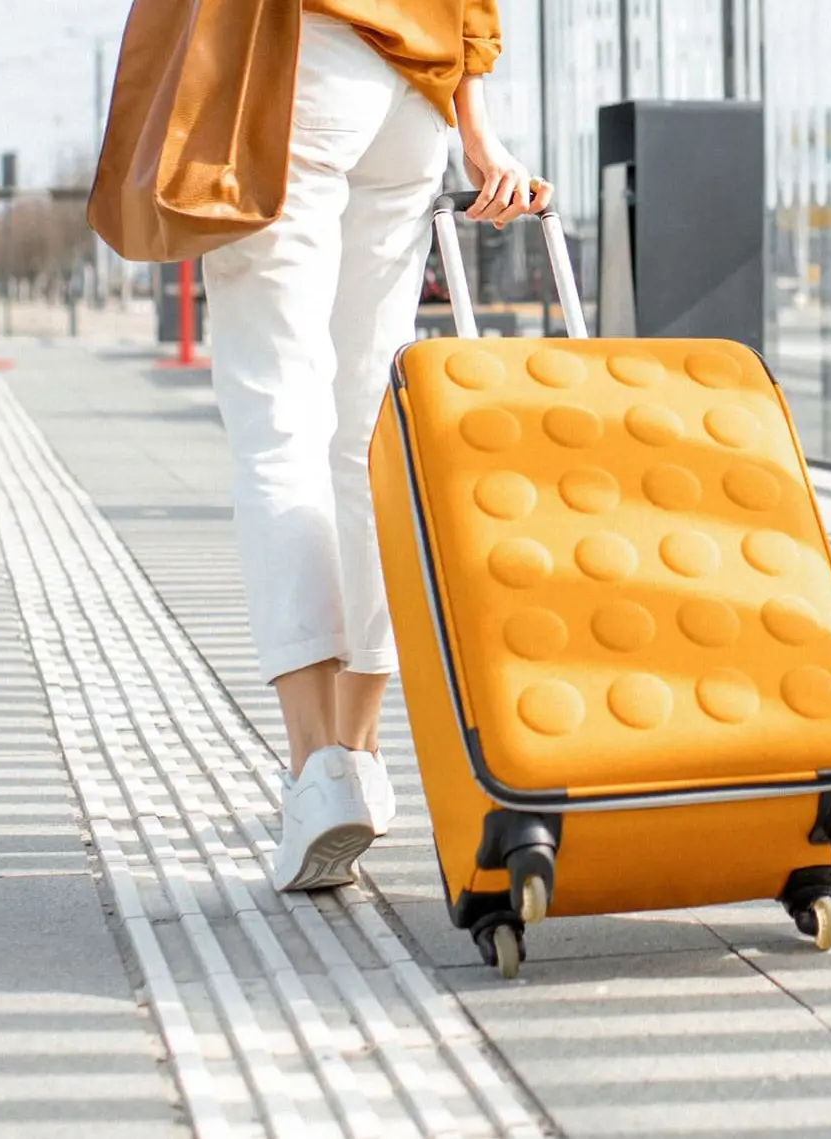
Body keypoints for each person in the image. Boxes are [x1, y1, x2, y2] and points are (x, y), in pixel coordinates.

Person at [200, 1, 553, 892]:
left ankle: (317, 769)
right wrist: (480, 127)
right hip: (413, 94)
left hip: (295, 60)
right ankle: (359, 751)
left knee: (279, 420)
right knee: (365, 438)